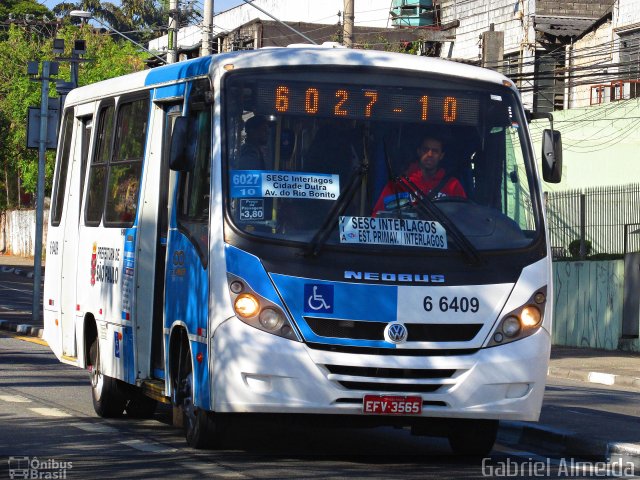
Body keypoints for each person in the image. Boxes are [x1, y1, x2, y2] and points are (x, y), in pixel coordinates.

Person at [372, 135, 466, 215]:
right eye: (426, 150)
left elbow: (464, 219)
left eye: (435, 151)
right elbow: (377, 218)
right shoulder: (399, 185)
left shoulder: (453, 186)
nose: (430, 154)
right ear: (419, 152)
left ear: (441, 155)